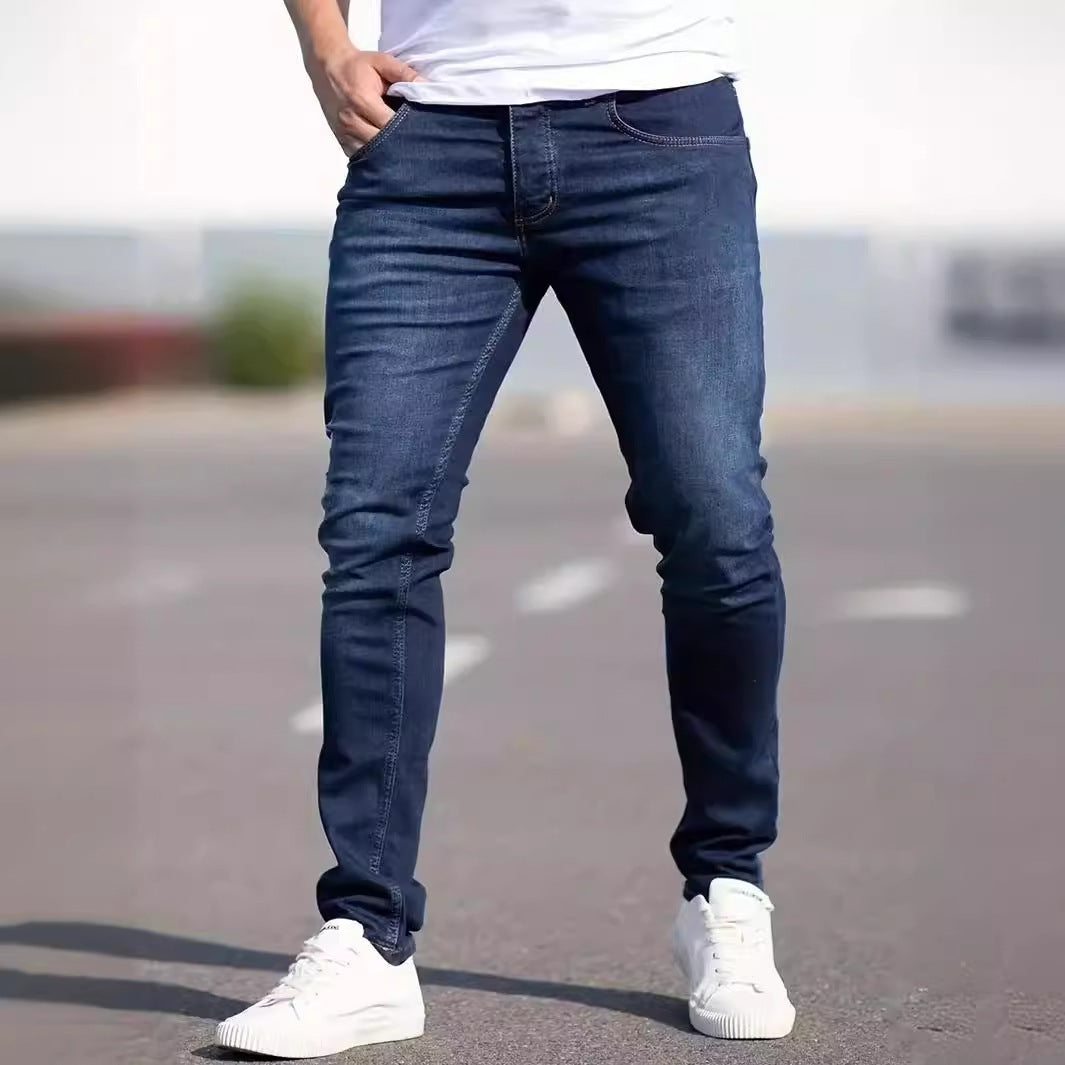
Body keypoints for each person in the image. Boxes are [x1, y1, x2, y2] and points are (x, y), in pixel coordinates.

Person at [217, 0, 794, 1055]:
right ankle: (367, 933)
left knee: (717, 519)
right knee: (375, 529)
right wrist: (324, 45)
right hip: (427, 138)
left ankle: (726, 890)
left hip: (661, 124)